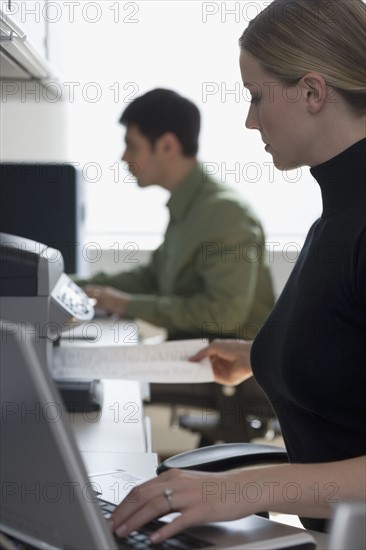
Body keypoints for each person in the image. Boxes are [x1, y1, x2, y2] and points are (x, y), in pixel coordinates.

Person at [109, 0, 366, 543]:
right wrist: (261, 355)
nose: (250, 120)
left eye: (255, 96)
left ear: (314, 92)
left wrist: (237, 490)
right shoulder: (339, 215)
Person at [77, 88, 275, 342]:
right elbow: (151, 278)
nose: (124, 158)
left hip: (227, 371)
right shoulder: (190, 205)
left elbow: (224, 314)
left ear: (167, 146)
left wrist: (125, 304)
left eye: (132, 146)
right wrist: (76, 286)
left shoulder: (226, 213)